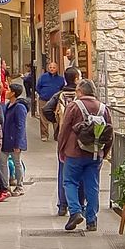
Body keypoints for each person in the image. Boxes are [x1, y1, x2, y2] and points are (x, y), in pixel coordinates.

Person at [57, 78, 112, 232]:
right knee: (92, 186)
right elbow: (110, 133)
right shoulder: (103, 108)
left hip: (74, 152)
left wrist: (61, 149)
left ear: (80, 91)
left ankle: (75, 211)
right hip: (95, 153)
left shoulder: (74, 106)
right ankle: (92, 220)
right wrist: (104, 152)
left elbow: (65, 129)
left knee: (69, 182)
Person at [44, 68, 80, 215]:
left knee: (63, 170)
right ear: (77, 78)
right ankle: (78, 205)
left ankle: (62, 205)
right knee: (80, 172)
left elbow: (46, 109)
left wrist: (57, 123)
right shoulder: (80, 95)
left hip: (63, 137)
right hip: (79, 136)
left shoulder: (59, 95)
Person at [2, 81, 30, 194]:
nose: (6, 92)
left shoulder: (19, 107)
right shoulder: (7, 106)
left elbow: (21, 126)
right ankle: (5, 186)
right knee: (3, 163)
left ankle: (20, 186)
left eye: (8, 90)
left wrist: (18, 143)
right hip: (6, 139)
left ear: (13, 93)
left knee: (17, 163)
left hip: (14, 141)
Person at [36, 61, 65, 139]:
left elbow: (62, 89)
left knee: (56, 118)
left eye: (54, 67)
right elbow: (38, 87)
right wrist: (42, 94)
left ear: (57, 68)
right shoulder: (43, 77)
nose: (52, 69)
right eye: (50, 67)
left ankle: (57, 135)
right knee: (43, 118)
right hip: (43, 99)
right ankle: (44, 135)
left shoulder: (61, 79)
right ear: (48, 68)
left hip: (55, 101)